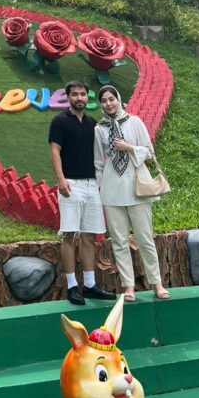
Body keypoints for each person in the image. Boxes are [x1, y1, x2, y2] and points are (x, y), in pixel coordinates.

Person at [93, 84, 169, 302]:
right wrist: (100, 190)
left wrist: (128, 147)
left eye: (111, 99)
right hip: (112, 189)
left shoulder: (134, 122)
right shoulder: (100, 129)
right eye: (104, 101)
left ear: (118, 99)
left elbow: (148, 152)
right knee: (119, 240)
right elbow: (98, 163)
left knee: (145, 237)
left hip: (136, 187)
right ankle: (128, 286)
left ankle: (157, 282)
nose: (108, 103)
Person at [49, 80, 115, 305]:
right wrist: (60, 179)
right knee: (69, 234)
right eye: (75, 94)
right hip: (71, 185)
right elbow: (55, 151)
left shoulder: (92, 124)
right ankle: (72, 286)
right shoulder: (59, 122)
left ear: (88, 98)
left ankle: (89, 285)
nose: (79, 98)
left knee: (89, 236)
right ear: (68, 97)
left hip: (92, 185)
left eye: (83, 94)